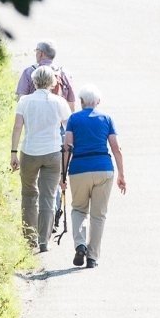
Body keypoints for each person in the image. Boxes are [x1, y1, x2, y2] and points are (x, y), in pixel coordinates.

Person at [62, 84, 126, 269]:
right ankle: (92, 257)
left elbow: (67, 147)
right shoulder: (106, 119)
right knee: (98, 215)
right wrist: (122, 174)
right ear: (97, 102)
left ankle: (80, 244)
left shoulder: (73, 119)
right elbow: (116, 148)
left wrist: (63, 174)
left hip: (79, 169)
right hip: (103, 169)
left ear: (81, 102)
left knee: (79, 209)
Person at [10, 65, 71, 253]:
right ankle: (44, 241)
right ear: (53, 82)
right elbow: (69, 129)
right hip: (53, 153)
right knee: (48, 196)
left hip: (29, 151)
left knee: (29, 194)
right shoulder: (59, 102)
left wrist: (13, 152)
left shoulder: (25, 101)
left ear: (34, 81)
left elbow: (18, 127)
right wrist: (68, 154)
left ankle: (30, 239)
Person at [15, 40, 75, 106]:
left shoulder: (29, 72)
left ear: (41, 53)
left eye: (36, 50)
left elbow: (21, 100)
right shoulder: (64, 74)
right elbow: (72, 105)